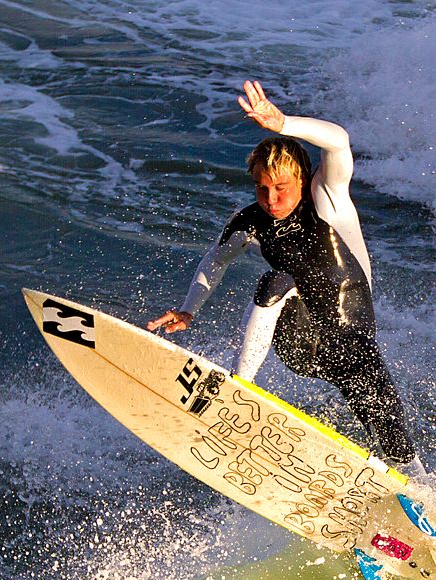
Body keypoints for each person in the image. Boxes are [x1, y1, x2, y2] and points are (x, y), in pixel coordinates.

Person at [147, 81, 420, 473]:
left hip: (353, 339)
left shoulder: (328, 200)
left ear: (302, 179)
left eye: (280, 188)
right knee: (277, 281)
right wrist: (189, 311)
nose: (270, 199)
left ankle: (418, 491)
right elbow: (215, 260)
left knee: (391, 430)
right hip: (300, 342)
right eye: (261, 189)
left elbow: (339, 143)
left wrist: (284, 123)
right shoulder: (250, 222)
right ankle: (239, 391)